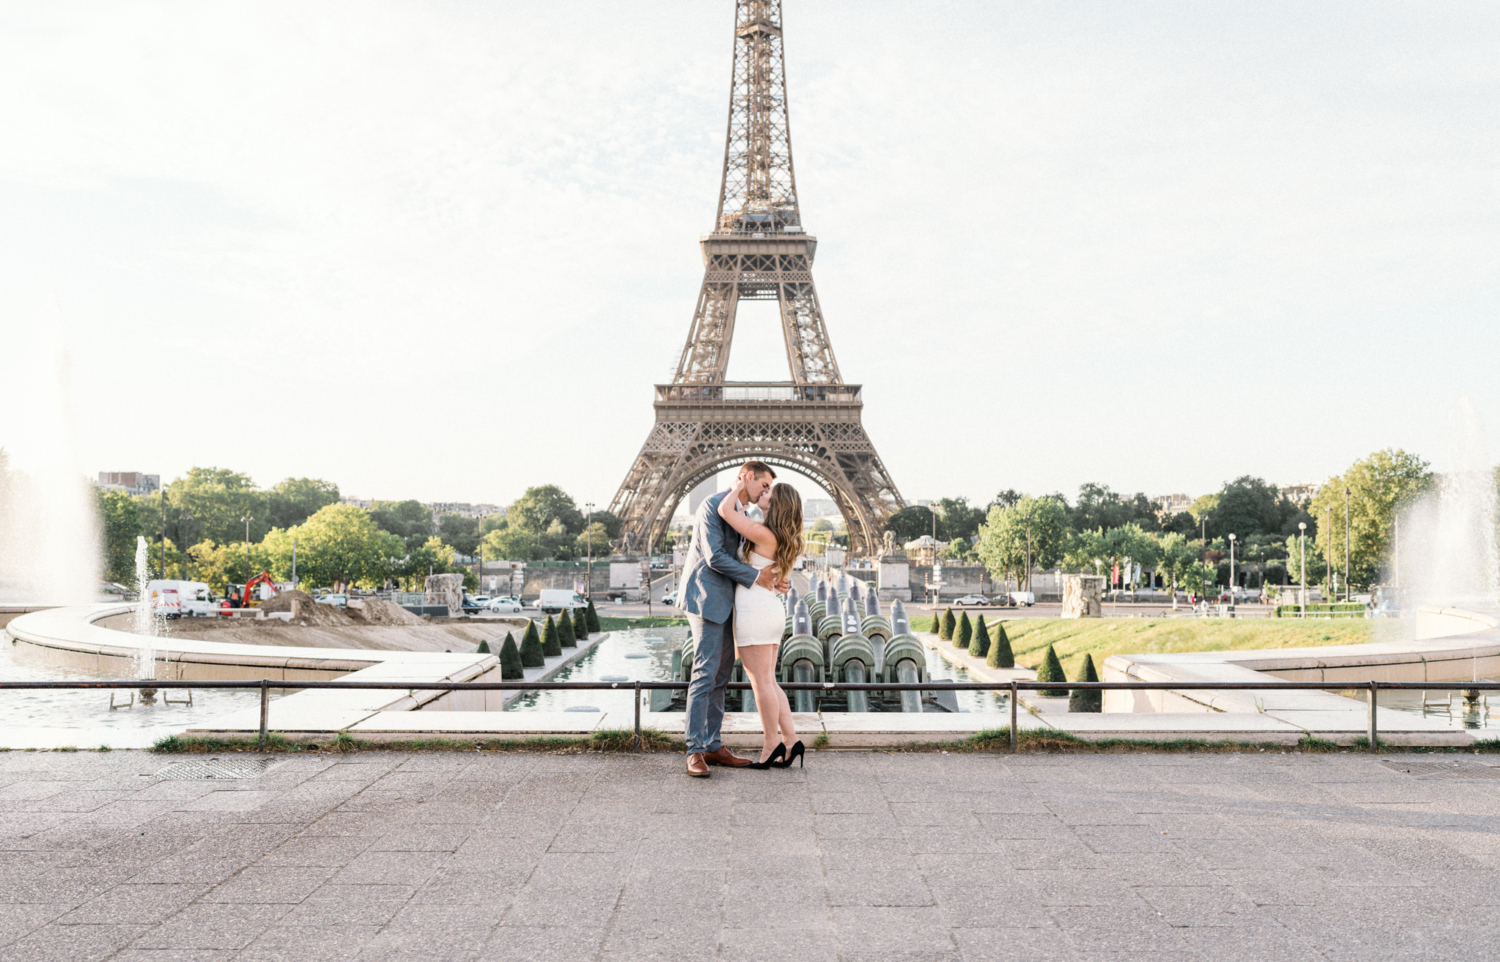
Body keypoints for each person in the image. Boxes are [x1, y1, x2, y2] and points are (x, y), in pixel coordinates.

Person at [679, 461, 788, 778]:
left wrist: (776, 578)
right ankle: (694, 750)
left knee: (721, 676)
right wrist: (758, 577)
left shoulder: (744, 515)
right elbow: (714, 557)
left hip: (730, 602)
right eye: (764, 485)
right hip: (707, 598)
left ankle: (712, 745)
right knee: (705, 673)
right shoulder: (712, 505)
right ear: (748, 477)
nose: (766, 492)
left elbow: (748, 557)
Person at [717, 473, 804, 769]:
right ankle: (791, 741)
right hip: (768, 610)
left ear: (776, 503)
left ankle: (770, 746)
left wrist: (737, 487)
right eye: (763, 487)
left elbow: (725, 511)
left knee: (760, 683)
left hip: (755, 611)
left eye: (770, 491)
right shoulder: (775, 535)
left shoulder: (764, 534)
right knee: (769, 681)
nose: (764, 491)